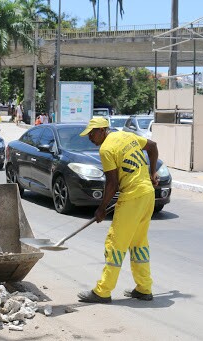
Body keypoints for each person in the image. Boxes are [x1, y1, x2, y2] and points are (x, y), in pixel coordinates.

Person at [77, 117, 159, 304]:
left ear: (103, 130)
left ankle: (103, 291)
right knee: (139, 244)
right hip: (147, 195)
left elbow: (112, 183)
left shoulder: (106, 149)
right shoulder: (125, 136)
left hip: (132, 197)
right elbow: (153, 147)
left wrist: (102, 208)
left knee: (115, 245)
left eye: (92, 133)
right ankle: (144, 288)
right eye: (88, 134)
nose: (90, 137)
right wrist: (152, 172)